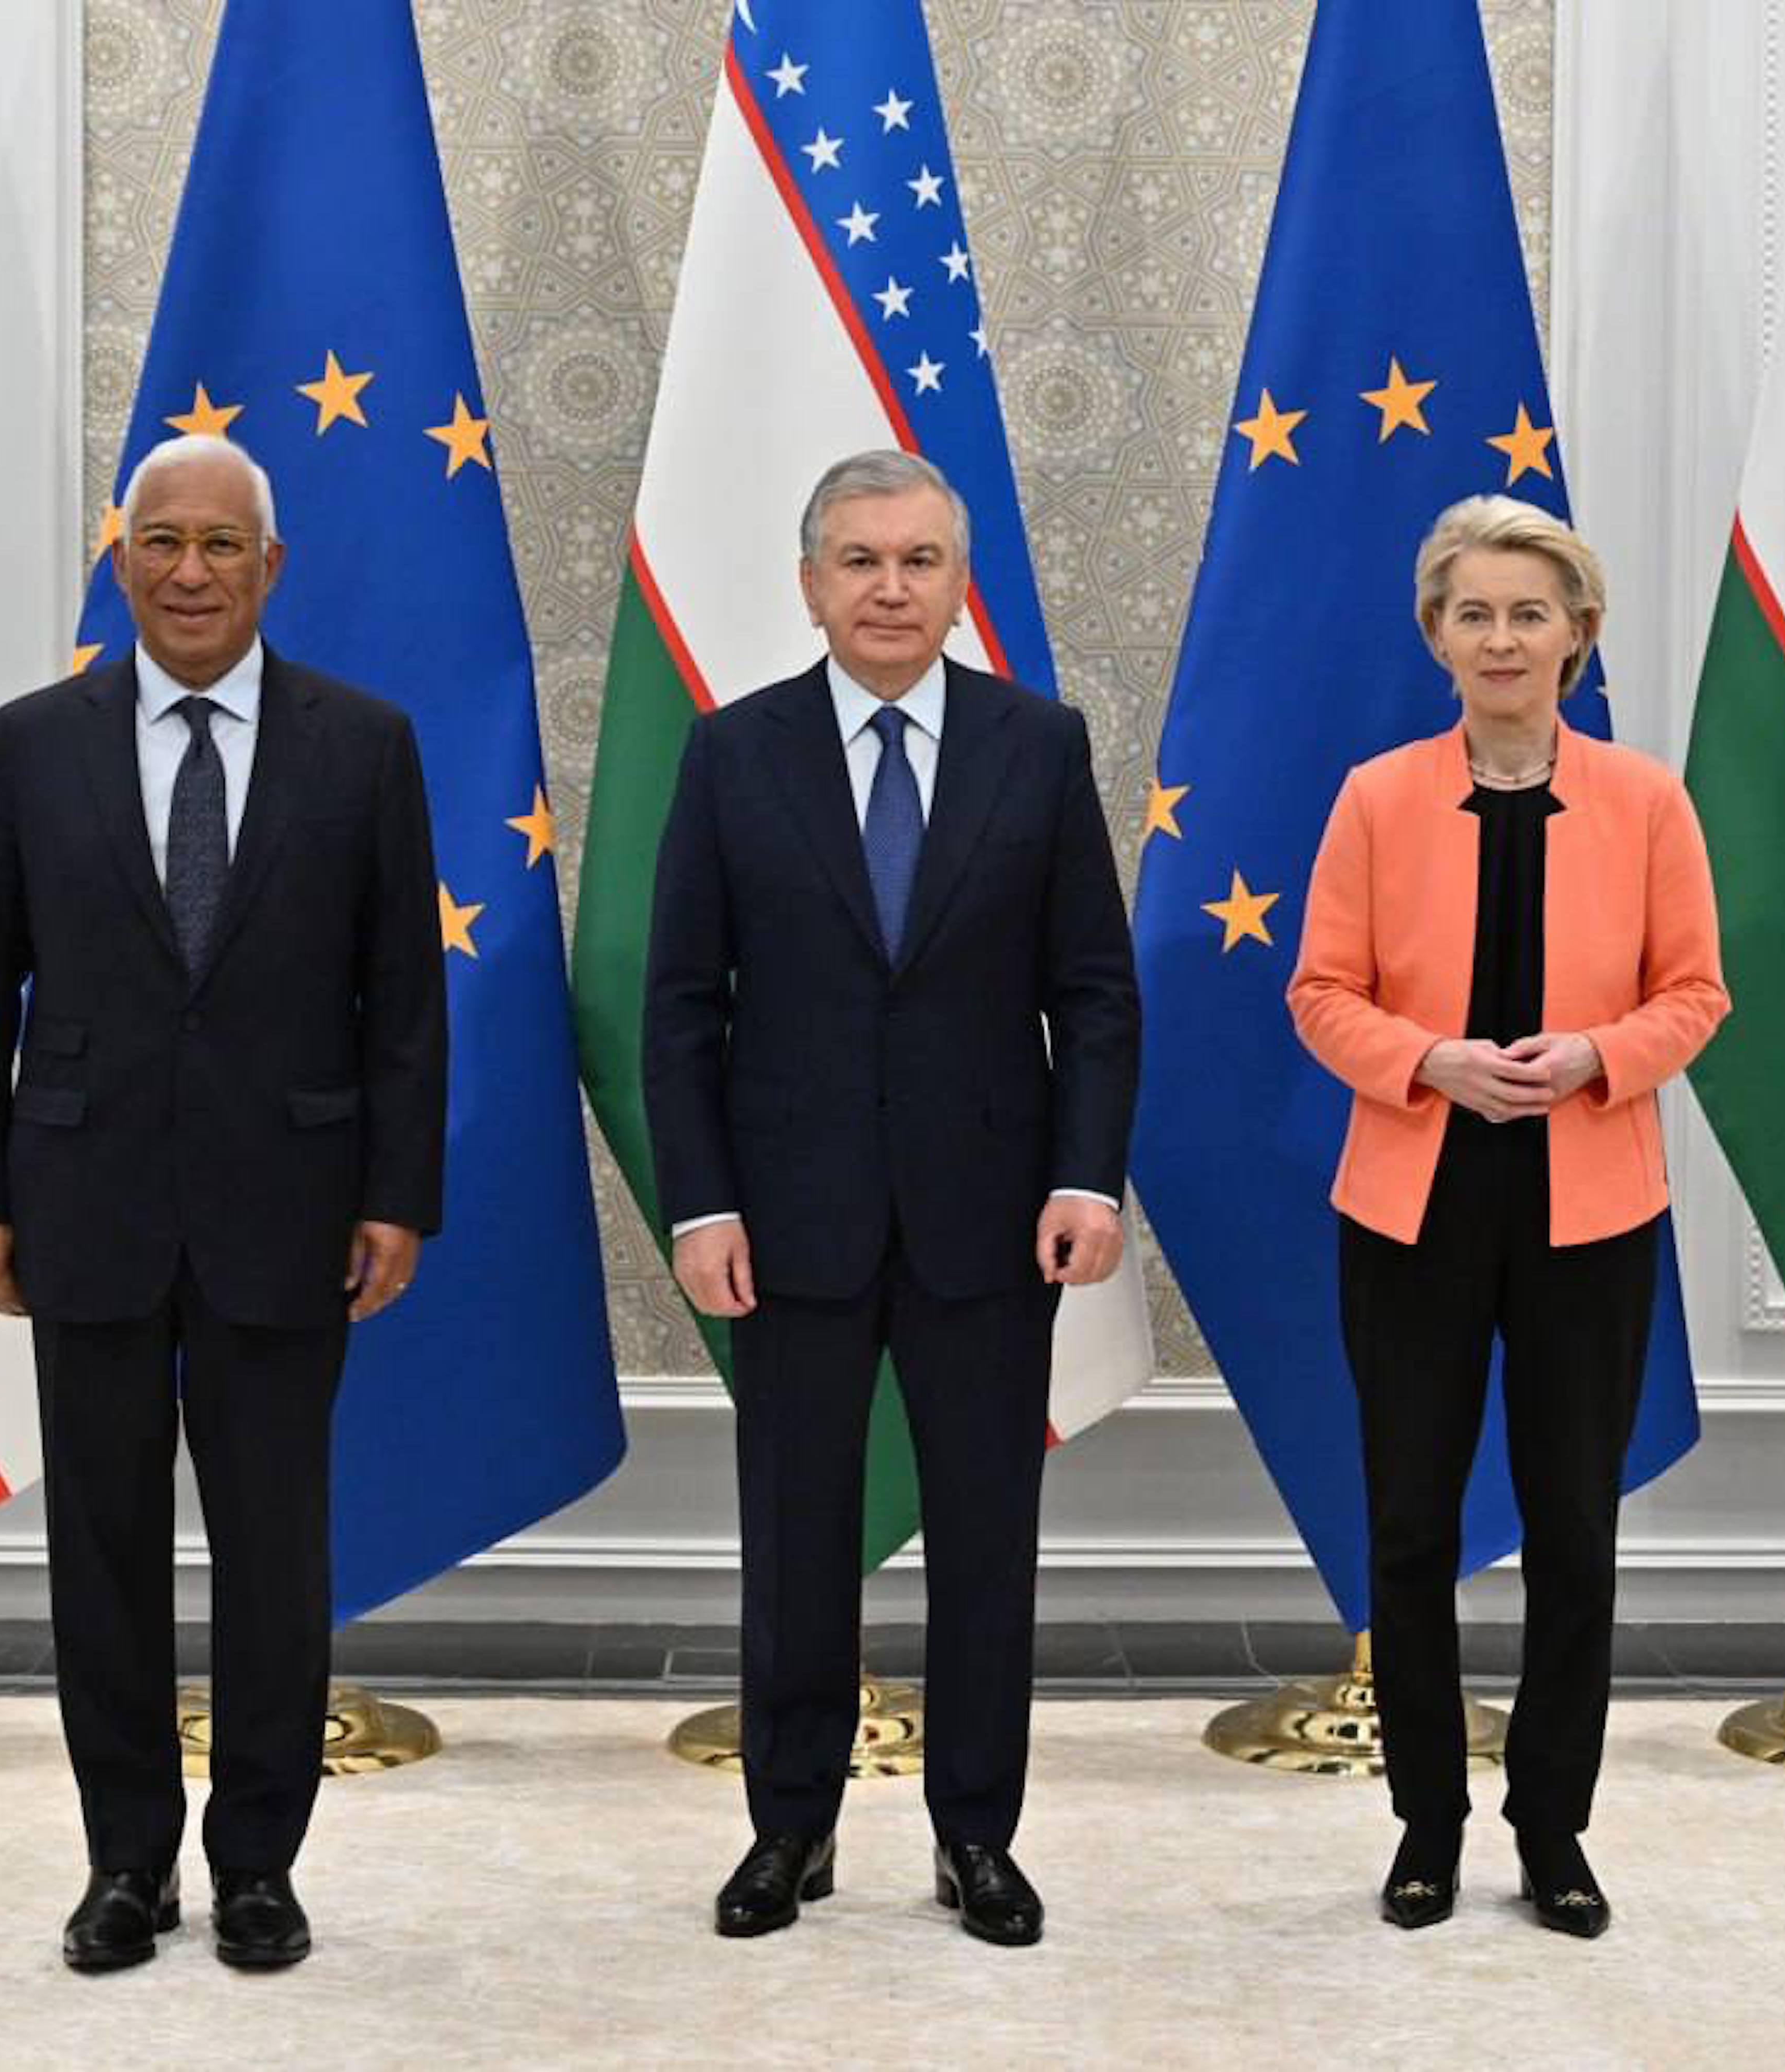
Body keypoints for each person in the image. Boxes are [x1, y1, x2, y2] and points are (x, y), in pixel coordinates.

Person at [0, 433, 446, 1975]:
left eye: (223, 547)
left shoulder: (363, 746)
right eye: (163, 543)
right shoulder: (32, 744)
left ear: (271, 569)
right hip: (77, 1204)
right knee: (101, 1551)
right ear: (121, 560)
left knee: (278, 1557)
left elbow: (403, 1004)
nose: (193, 572)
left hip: (291, 1208)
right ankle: (126, 1865)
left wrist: (397, 1195)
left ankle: (260, 1867)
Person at [643, 449, 1140, 1948]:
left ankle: (977, 1837)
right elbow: (678, 1007)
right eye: (859, 560)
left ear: (957, 584)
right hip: (785, 1221)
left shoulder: (1035, 746)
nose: (888, 587)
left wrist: (1083, 1174)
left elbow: (1095, 993)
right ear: (810, 586)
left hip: (993, 1217)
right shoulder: (735, 755)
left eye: (918, 561)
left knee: (989, 1538)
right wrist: (702, 1204)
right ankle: (789, 1830)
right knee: (796, 1537)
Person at [1286, 494, 1726, 1940]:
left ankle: (1554, 1828)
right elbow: (1321, 994)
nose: (1501, 637)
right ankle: (1426, 1823)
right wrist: (1429, 1062)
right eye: (1472, 612)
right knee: (1410, 1526)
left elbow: (1696, 996)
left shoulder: (1650, 801)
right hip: (1413, 1202)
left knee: (1573, 1529)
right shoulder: (1375, 798)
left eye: (1529, 613)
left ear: (1578, 636)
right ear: (1436, 634)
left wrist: (1600, 1055)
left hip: (1589, 1205)